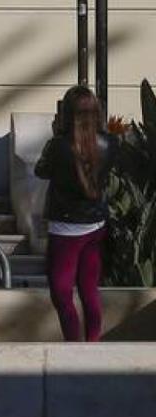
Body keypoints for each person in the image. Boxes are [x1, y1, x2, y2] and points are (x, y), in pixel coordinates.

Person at [35, 85, 118, 343]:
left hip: (66, 228)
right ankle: (92, 342)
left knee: (61, 293)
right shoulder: (110, 143)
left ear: (67, 114)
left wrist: (56, 134)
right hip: (95, 225)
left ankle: (73, 345)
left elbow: (41, 171)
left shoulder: (58, 146)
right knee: (88, 288)